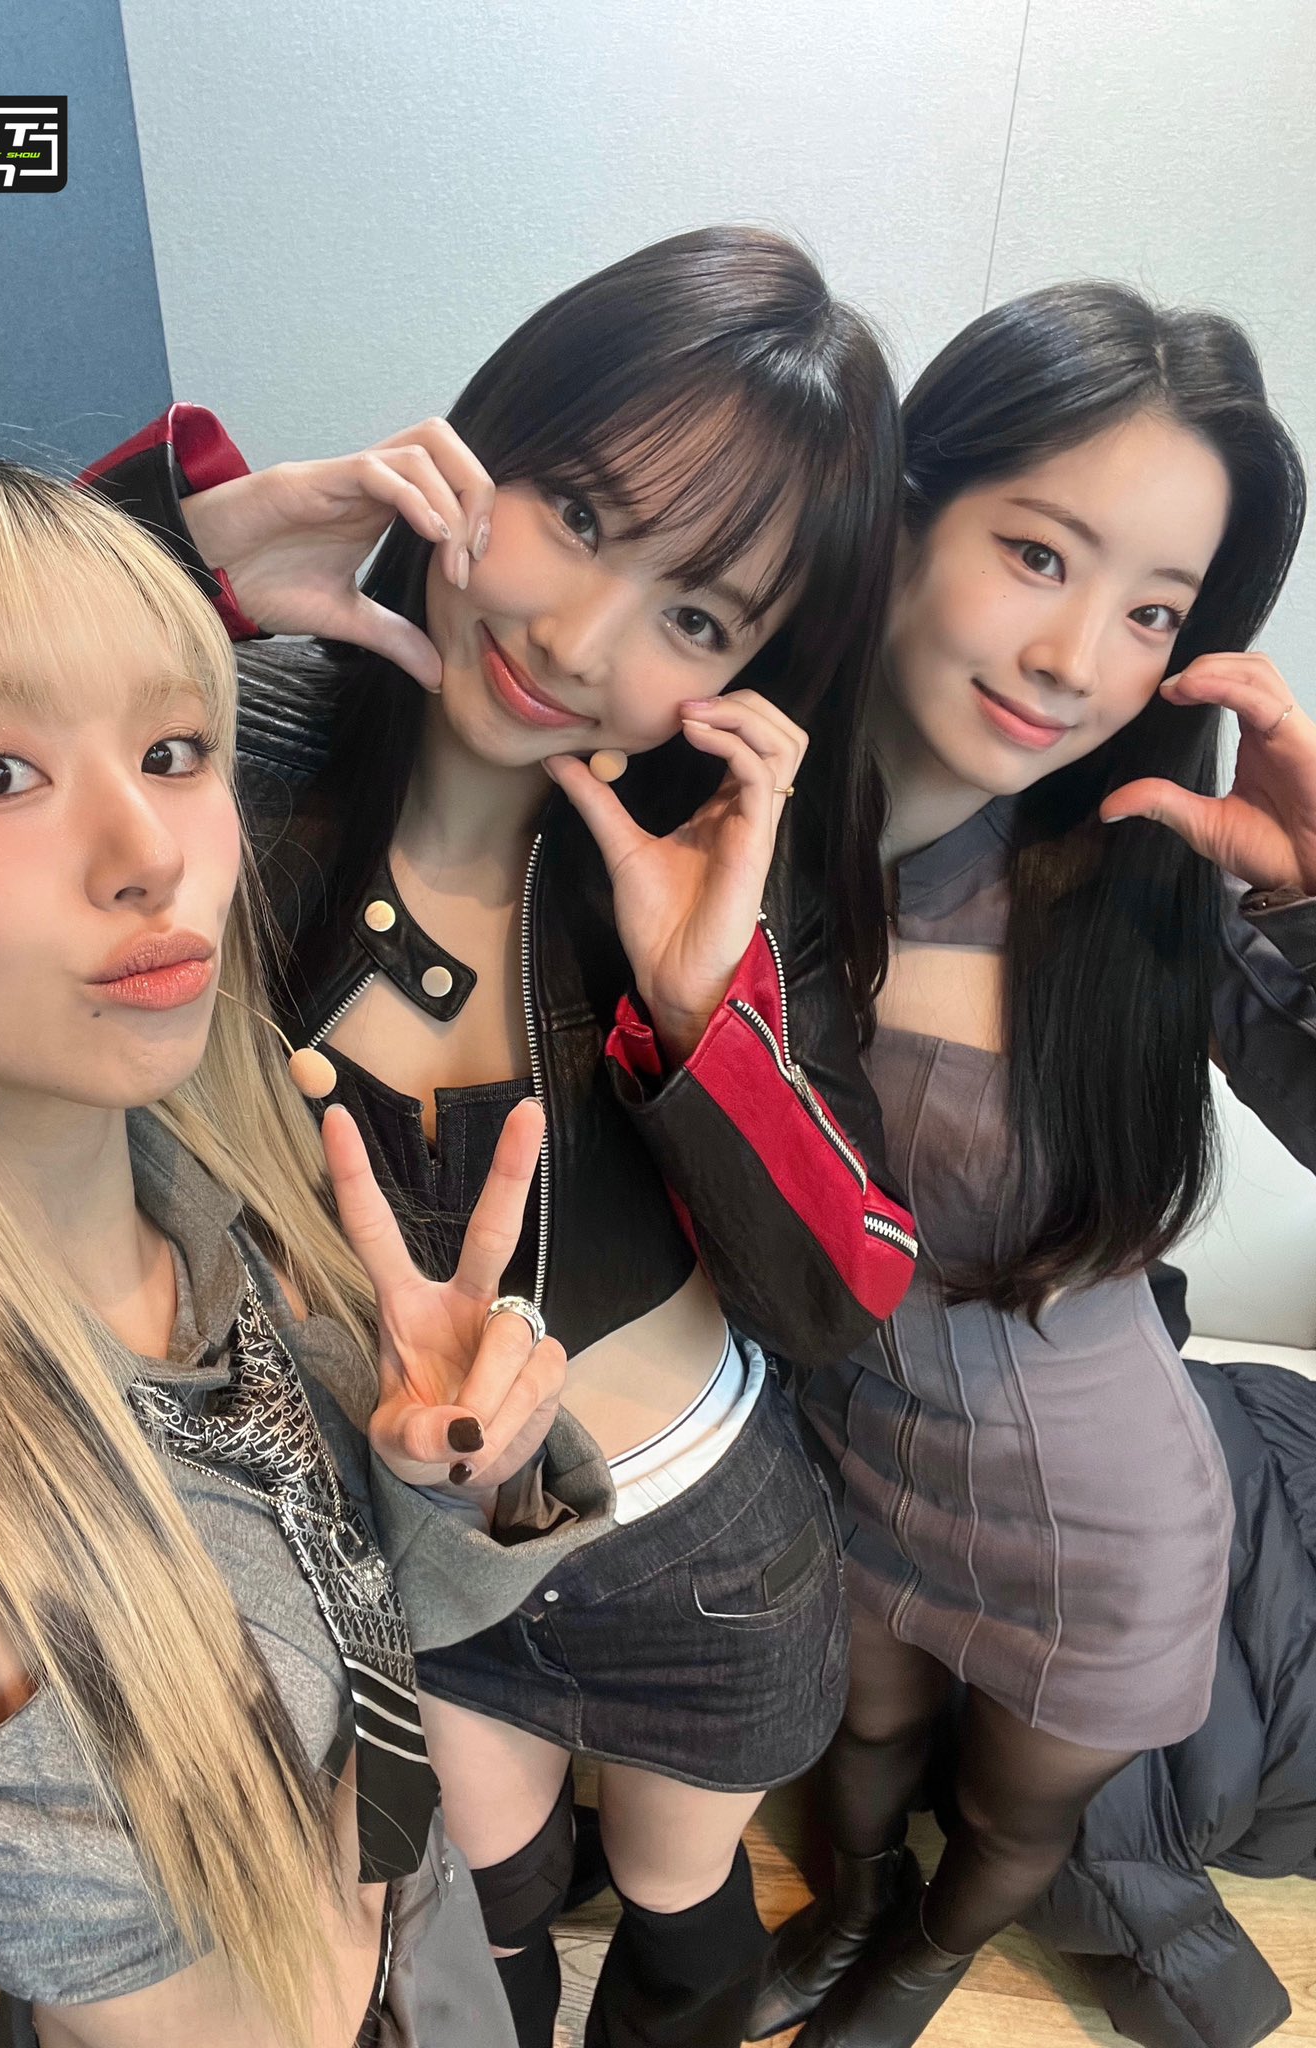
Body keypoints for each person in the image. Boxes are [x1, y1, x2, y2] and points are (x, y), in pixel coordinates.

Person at [85, 224, 919, 2048]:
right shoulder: (228, 751)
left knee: (687, 1917)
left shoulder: (720, 879)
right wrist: (174, 556)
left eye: (699, 618)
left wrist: (706, 1017)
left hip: (698, 1546)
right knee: (483, 1922)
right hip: (414, 1531)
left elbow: (845, 1290)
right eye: (582, 512)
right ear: (481, 444)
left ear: (752, 676)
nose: (576, 637)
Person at [0, 439, 569, 2047]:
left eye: (174, 747)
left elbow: (375, 1628)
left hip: (419, 1949)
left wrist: (442, 1473)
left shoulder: (221, 1205)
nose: (153, 851)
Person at [748, 281, 1309, 2046]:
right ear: (905, 509)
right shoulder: (734, 816)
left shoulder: (1143, 873)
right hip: (849, 1448)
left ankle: (920, 1960)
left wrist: (1315, 905)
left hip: (1093, 1504)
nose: (1076, 659)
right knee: (863, 1737)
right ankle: (852, 1909)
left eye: (1153, 611)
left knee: (1010, 1817)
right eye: (1041, 553)